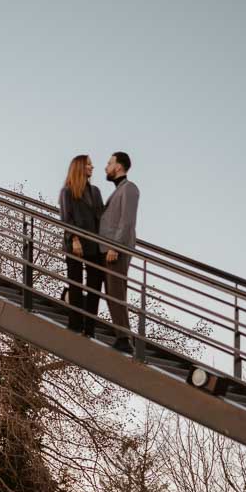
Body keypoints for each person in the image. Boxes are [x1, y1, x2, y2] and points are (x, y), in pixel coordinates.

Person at [57, 154, 105, 337]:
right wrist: (74, 239)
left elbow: (101, 217)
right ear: (80, 168)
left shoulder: (96, 191)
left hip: (94, 244)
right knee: (75, 285)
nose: (92, 168)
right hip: (75, 244)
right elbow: (66, 219)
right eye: (89, 165)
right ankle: (75, 324)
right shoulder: (67, 192)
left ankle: (90, 327)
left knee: (94, 286)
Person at [98, 151, 140, 354]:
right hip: (109, 248)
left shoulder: (129, 189)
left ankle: (124, 338)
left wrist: (115, 247)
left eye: (109, 163)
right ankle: (122, 336)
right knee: (111, 293)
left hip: (116, 250)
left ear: (119, 167)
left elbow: (127, 220)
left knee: (116, 293)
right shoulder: (118, 191)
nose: (106, 167)